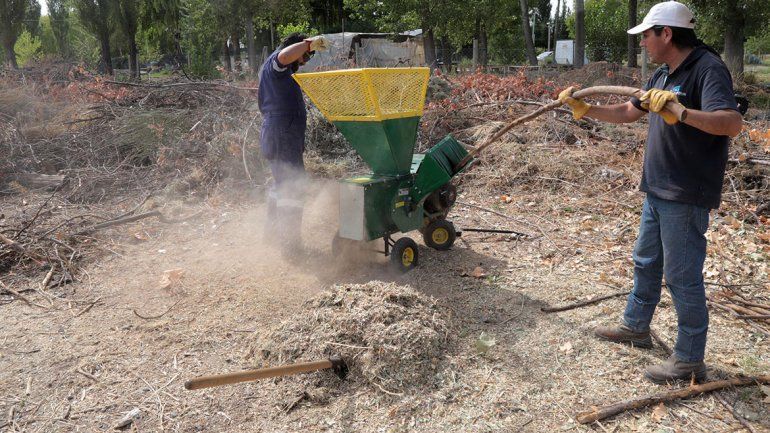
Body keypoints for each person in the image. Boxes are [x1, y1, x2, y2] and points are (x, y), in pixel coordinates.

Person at [558, 1, 743, 384]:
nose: (642, 41)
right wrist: (585, 108)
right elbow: (628, 112)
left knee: (682, 277)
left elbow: (731, 123)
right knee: (645, 262)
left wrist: (684, 112)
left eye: (647, 34)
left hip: (686, 192)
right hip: (658, 188)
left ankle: (690, 360)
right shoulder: (663, 74)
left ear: (667, 33)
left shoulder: (706, 69)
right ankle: (636, 328)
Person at [258, 33, 328, 253]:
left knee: (281, 184)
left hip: (278, 132)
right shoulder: (277, 63)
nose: (305, 61)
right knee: (293, 186)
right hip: (282, 132)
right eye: (305, 56)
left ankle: (272, 234)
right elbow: (285, 55)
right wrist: (308, 43)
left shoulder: (276, 71)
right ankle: (290, 245)